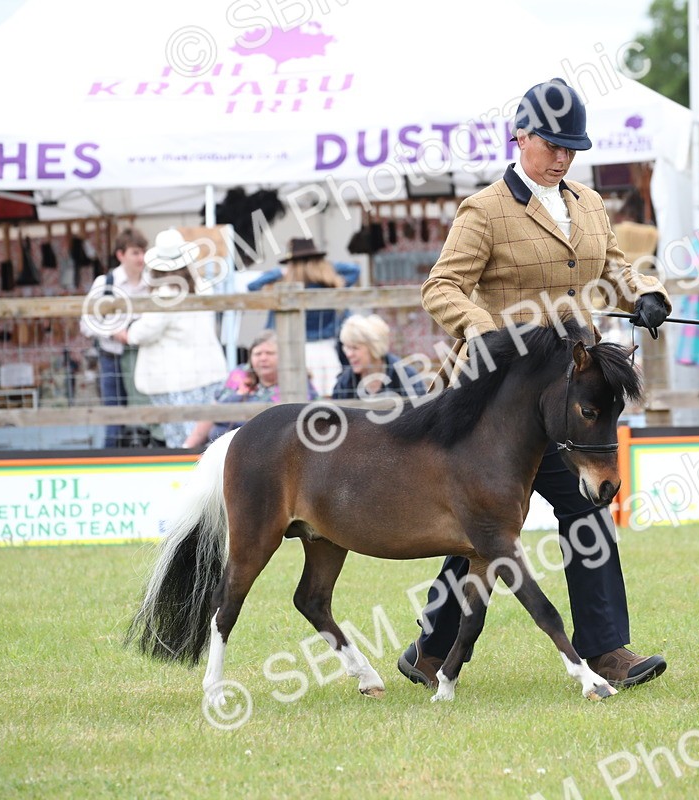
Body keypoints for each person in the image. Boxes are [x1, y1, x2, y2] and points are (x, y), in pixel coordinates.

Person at [407, 78, 673, 690]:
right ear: (520, 135)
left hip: (566, 393)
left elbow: (615, 264)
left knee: (585, 508)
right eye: (551, 144)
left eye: (571, 148)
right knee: (483, 521)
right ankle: (431, 650)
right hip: (495, 398)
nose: (562, 157)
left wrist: (648, 295)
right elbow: (441, 288)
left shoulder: (587, 202)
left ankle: (607, 651)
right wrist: (490, 333)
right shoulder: (484, 210)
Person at [112, 230, 227, 449]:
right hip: (208, 371)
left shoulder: (165, 293)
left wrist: (124, 333)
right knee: (211, 441)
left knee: (184, 443)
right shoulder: (203, 286)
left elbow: (144, 331)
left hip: (179, 380)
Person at [247, 237, 361, 397]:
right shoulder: (330, 285)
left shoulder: (285, 289)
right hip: (325, 351)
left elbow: (252, 286)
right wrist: (324, 266)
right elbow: (355, 270)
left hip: (293, 350)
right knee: (328, 400)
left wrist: (279, 271)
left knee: (297, 400)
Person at [182, 330, 318, 447]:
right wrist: (187, 447)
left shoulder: (297, 382)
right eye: (258, 354)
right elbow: (214, 409)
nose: (263, 358)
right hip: (222, 443)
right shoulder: (239, 375)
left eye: (269, 353)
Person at [79, 227, 149, 448]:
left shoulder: (152, 281)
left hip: (144, 356)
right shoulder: (106, 283)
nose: (141, 258)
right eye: (135, 253)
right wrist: (113, 332)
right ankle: (110, 459)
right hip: (112, 356)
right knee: (114, 413)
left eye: (143, 252)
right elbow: (86, 323)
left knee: (147, 413)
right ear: (121, 255)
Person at [331, 314, 427, 400]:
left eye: (355, 348)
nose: (349, 354)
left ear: (374, 348)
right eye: (347, 347)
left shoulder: (406, 376)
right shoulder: (344, 384)